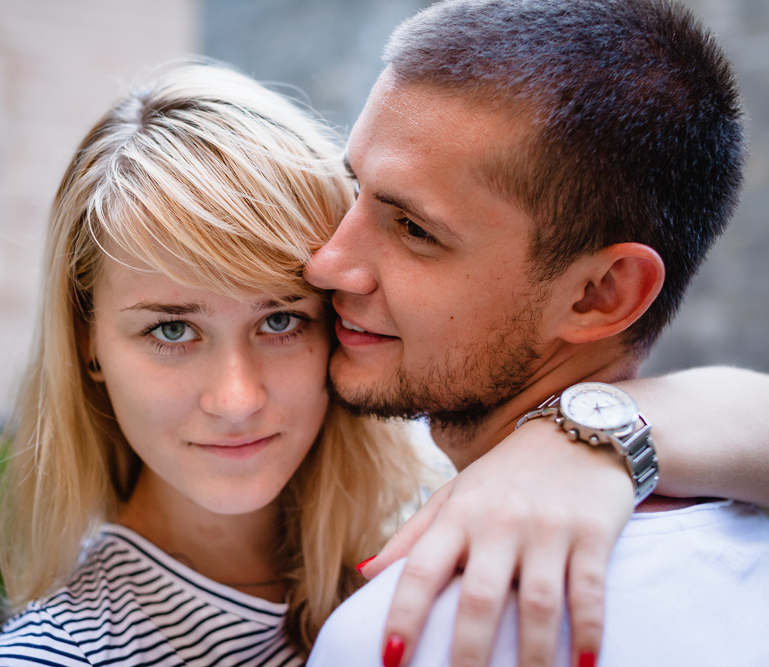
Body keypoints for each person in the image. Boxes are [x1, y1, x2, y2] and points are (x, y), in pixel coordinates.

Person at [303, 1, 769, 666]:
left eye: (414, 229)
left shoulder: (407, 630)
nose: (327, 264)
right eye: (356, 190)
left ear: (599, 294)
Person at [0, 60, 428, 666]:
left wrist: (575, 446)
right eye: (173, 329)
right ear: (86, 342)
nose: (237, 398)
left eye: (280, 321)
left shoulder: (438, 523)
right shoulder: (63, 656)